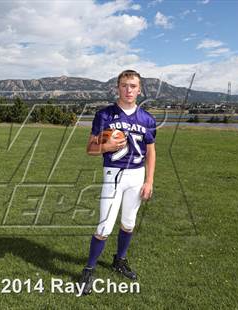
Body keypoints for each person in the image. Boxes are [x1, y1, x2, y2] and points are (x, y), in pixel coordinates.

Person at [79, 69, 156, 295]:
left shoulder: (147, 119)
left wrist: (149, 180)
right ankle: (89, 269)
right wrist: (107, 147)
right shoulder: (105, 115)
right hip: (113, 175)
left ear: (139, 90)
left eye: (132, 86)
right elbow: (90, 148)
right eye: (124, 85)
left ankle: (119, 260)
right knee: (104, 226)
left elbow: (151, 152)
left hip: (137, 176)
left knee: (129, 223)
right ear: (117, 88)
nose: (128, 90)